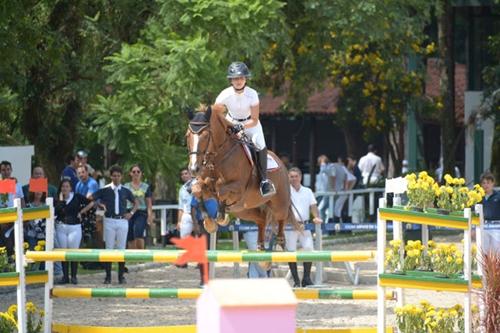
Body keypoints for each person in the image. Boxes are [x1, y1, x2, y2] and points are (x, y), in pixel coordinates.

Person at [214, 61, 275, 197]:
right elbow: (215, 114)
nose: (238, 81)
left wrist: (241, 127)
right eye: (235, 78)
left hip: (250, 124)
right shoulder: (224, 95)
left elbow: (254, 119)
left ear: (246, 79)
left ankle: (264, 181)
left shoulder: (252, 94)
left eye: (241, 78)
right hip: (231, 122)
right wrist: (228, 125)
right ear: (231, 80)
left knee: (259, 144)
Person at [88, 165, 139, 284]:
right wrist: (100, 205)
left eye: (118, 176)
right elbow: (91, 197)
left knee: (122, 248)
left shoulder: (125, 190)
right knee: (109, 248)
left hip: (122, 220)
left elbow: (135, 202)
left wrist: (131, 213)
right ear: (111, 176)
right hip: (109, 220)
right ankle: (108, 276)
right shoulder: (105, 190)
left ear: (121, 177)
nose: (116, 178)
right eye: (114, 176)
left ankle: (121, 276)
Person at [286, 167, 322, 287]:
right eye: (291, 176)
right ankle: (296, 280)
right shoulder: (285, 191)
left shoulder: (307, 191)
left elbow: (313, 206)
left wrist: (316, 217)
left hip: (305, 225)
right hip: (290, 226)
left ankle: (306, 278)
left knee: (308, 250)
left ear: (300, 177)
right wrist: (293, 223)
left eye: (296, 176)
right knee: (291, 252)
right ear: (288, 178)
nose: (294, 179)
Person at [54, 179, 93, 284]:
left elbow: (91, 203)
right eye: (63, 186)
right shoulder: (57, 199)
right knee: (63, 252)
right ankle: (65, 276)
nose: (65, 188)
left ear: (70, 188)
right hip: (61, 227)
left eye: (67, 186)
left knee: (73, 251)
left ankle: (74, 276)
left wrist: (82, 212)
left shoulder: (76, 196)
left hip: (74, 227)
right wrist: (61, 201)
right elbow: (56, 211)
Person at [124, 164, 153, 250]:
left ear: (141, 174)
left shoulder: (145, 187)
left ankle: (141, 254)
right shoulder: (126, 186)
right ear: (130, 173)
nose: (136, 173)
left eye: (138, 171)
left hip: (141, 212)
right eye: (134, 171)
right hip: (129, 212)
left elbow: (149, 203)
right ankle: (132, 257)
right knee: (130, 234)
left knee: (138, 231)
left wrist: (150, 216)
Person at [480, 172, 500, 252]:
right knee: (484, 252)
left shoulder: (498, 196)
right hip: (483, 227)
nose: (486, 185)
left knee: (497, 253)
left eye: (488, 183)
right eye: (484, 183)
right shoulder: (478, 197)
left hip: (497, 228)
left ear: (493, 183)